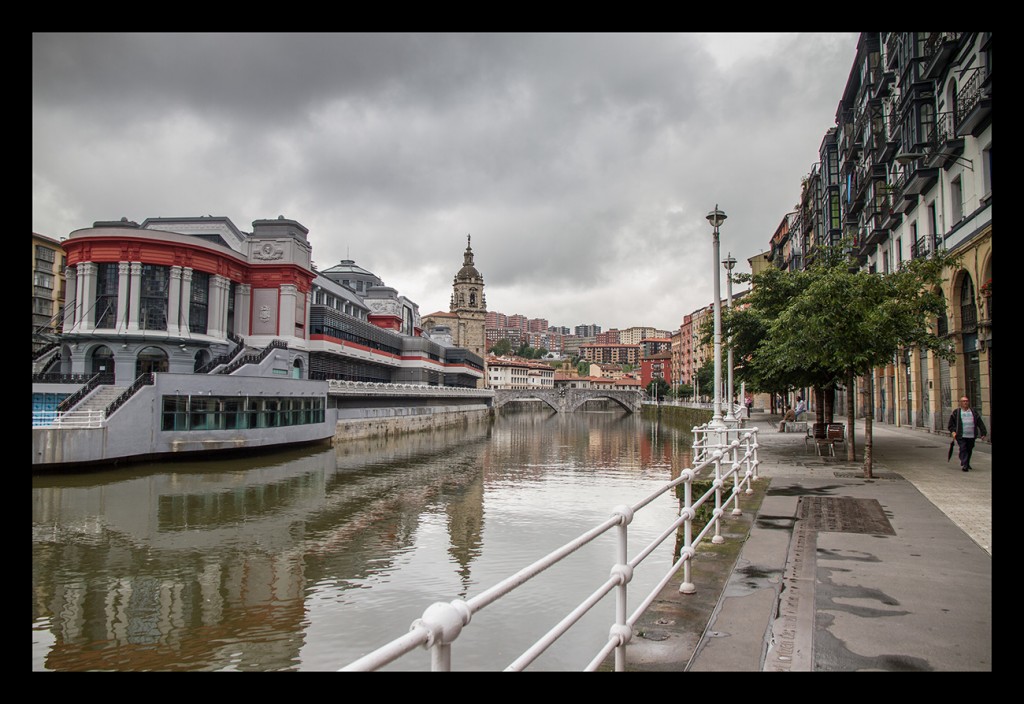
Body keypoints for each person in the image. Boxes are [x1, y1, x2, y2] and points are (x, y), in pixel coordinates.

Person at [948, 396, 987, 472]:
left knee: (969, 449)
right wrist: (953, 431)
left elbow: (980, 423)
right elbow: (950, 424)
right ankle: (965, 465)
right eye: (963, 401)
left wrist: (983, 433)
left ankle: (967, 463)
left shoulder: (973, 412)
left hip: (971, 435)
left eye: (966, 401)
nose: (965, 402)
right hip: (961, 435)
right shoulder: (956, 412)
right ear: (960, 403)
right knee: (963, 448)